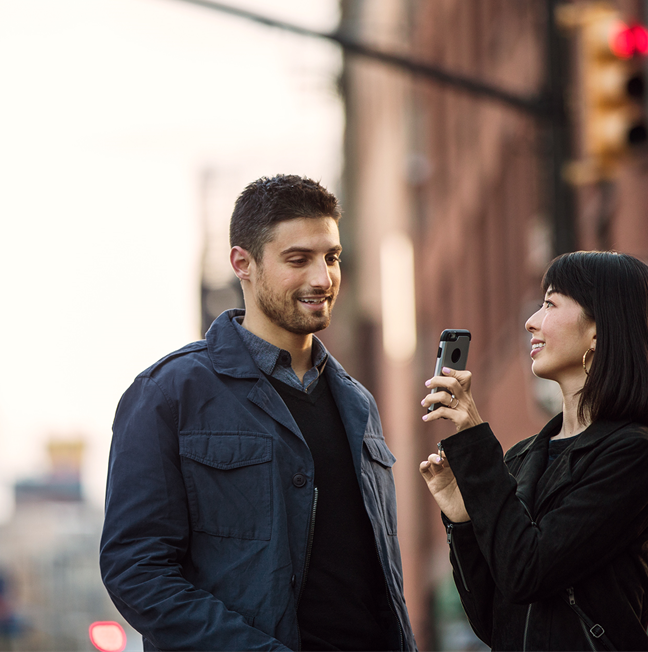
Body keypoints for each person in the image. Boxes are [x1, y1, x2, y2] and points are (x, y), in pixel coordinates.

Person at [101, 175, 416, 652]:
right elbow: (136, 571)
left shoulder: (358, 403)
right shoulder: (168, 394)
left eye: (331, 257)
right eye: (298, 259)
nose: (322, 278)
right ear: (242, 264)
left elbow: (380, 579)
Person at [419, 251, 648, 652]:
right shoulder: (523, 457)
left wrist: (474, 436)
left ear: (598, 331)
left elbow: (528, 570)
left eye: (550, 303)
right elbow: (493, 621)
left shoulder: (634, 454)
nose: (531, 321)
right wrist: (462, 519)